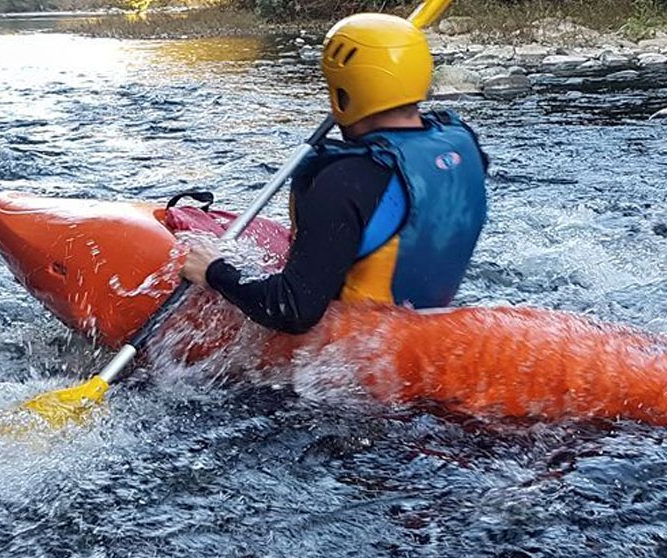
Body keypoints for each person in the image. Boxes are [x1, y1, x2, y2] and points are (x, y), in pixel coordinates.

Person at [180, 12, 489, 335]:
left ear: (343, 94)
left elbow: (294, 309)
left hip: (359, 357)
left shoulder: (345, 180)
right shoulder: (464, 144)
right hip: (432, 326)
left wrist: (216, 272)